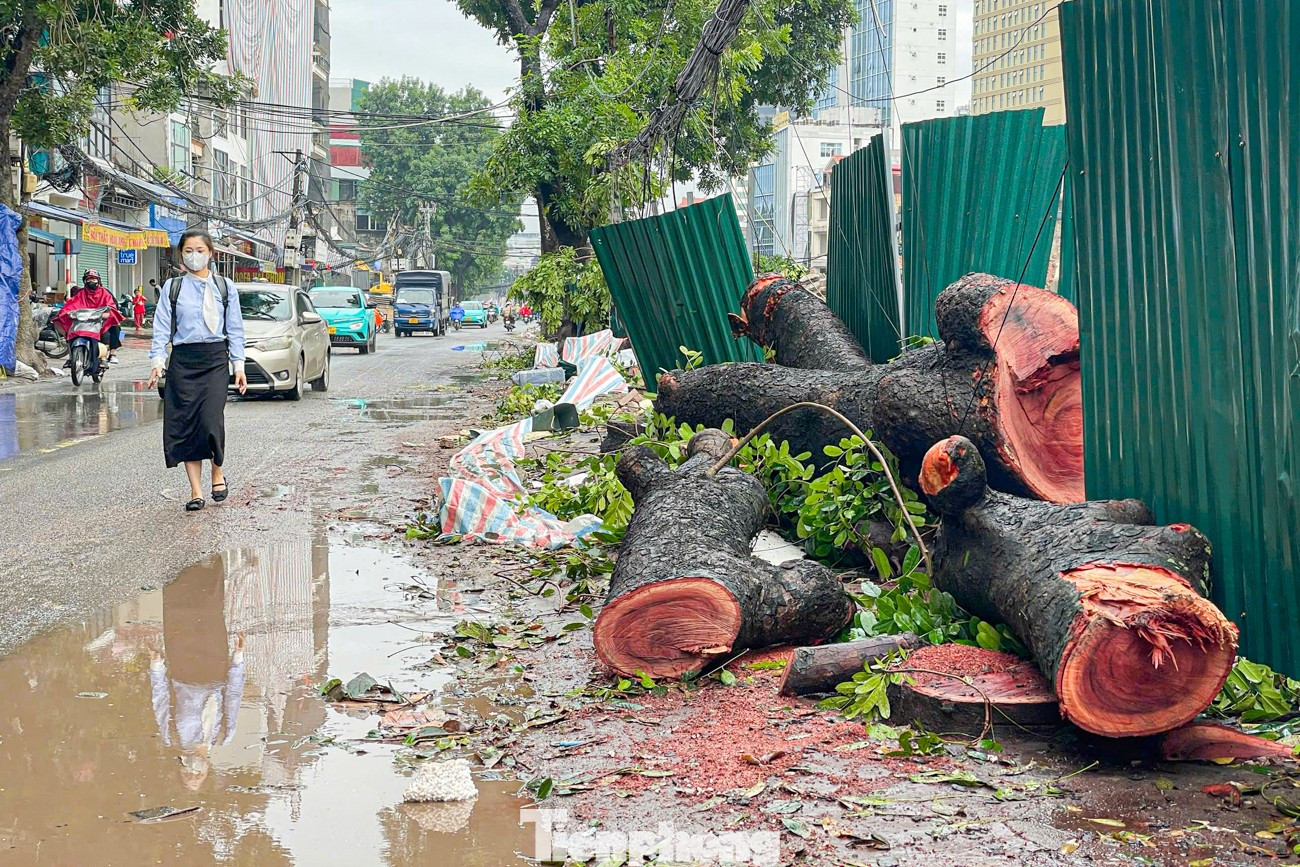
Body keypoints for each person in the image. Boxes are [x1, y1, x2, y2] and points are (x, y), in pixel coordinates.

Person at [146, 230, 248, 513]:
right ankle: (195, 490)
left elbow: (235, 330)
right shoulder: (173, 288)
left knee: (210, 420)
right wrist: (157, 362)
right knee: (186, 423)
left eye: (200, 249)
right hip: (183, 360)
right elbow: (162, 328)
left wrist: (238, 366)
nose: (194, 255)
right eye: (188, 250)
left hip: (215, 358)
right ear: (181, 254)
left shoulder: (226, 287)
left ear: (210, 253)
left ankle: (217, 471)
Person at [54, 269, 124, 364]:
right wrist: (66, 313)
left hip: (100, 322)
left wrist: (105, 315)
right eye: (89, 279)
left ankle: (106, 356)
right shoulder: (81, 294)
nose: (91, 281)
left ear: (98, 281)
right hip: (82, 322)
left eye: (94, 279)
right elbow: (71, 305)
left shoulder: (105, 293)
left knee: (108, 332)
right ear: (85, 281)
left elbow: (111, 308)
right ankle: (71, 358)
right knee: (69, 333)